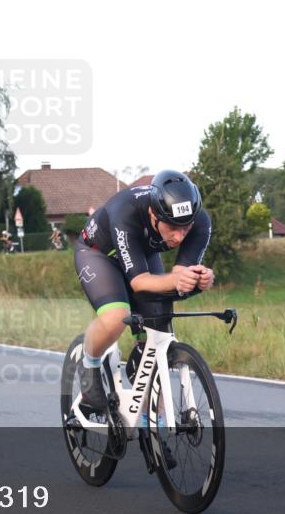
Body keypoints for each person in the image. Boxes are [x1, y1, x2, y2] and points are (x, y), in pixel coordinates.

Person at [74, 169, 214, 413]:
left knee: (158, 326)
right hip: (98, 254)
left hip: (143, 254)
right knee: (116, 317)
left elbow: (178, 278)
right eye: (172, 227)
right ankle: (89, 364)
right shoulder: (125, 210)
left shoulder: (200, 222)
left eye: (186, 227)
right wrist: (176, 281)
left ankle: (155, 432)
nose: (180, 236)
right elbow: (139, 282)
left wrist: (198, 281)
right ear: (153, 214)